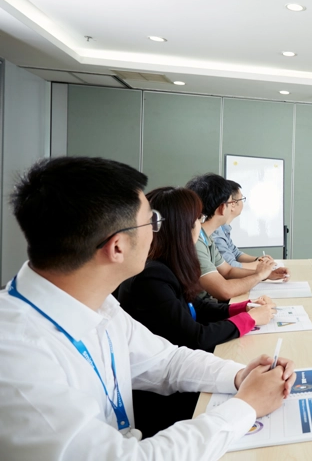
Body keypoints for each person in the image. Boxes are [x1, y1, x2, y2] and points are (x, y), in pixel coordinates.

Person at [0, 156, 296, 459]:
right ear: (117, 247)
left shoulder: (100, 305)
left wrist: (240, 375)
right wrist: (246, 406)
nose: (158, 231)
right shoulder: (16, 357)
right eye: (152, 220)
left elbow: (166, 361)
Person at [118, 186, 279, 436]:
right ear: (183, 227)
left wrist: (243, 307)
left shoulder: (164, 267)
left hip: (176, 376)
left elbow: (195, 307)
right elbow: (194, 336)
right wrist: (249, 319)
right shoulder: (152, 277)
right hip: (162, 403)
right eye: (196, 220)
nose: (200, 225)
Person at [186, 173, 288, 301]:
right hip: (200, 311)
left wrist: (267, 274)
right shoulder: (196, 242)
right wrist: (258, 276)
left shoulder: (205, 236)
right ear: (223, 208)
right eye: (230, 202)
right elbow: (224, 291)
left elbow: (228, 271)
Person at [211, 180, 273, 269]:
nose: (243, 203)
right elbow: (229, 266)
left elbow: (235, 253)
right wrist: (260, 266)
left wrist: (259, 260)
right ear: (232, 204)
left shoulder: (224, 228)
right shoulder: (216, 232)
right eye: (241, 199)